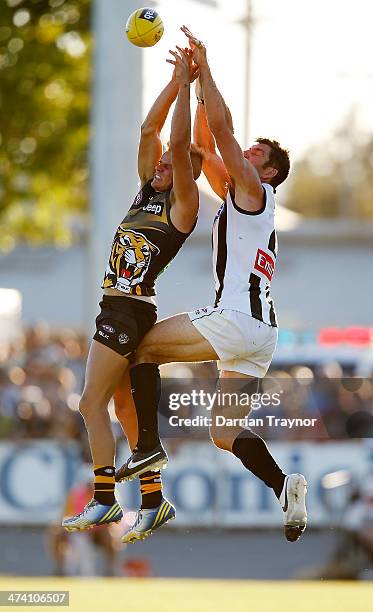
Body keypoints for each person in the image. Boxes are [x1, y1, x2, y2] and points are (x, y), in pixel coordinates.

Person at [116, 27, 307, 544]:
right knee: (223, 433)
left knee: (138, 351)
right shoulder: (243, 197)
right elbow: (203, 144)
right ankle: (284, 485)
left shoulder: (253, 188)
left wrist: (210, 69)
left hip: (235, 319)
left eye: (253, 153)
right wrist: (195, 83)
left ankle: (147, 446)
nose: (243, 155)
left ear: (267, 171)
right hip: (260, 336)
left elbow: (218, 134)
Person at [62, 48, 203, 533]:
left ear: (188, 175)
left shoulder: (183, 206)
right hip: (116, 307)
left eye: (170, 163)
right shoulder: (147, 191)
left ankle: (104, 498)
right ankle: (154, 499)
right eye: (160, 163)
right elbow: (150, 132)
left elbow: (181, 149)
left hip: (128, 311)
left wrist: (189, 89)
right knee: (121, 407)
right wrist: (174, 82)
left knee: (88, 403)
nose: (161, 163)